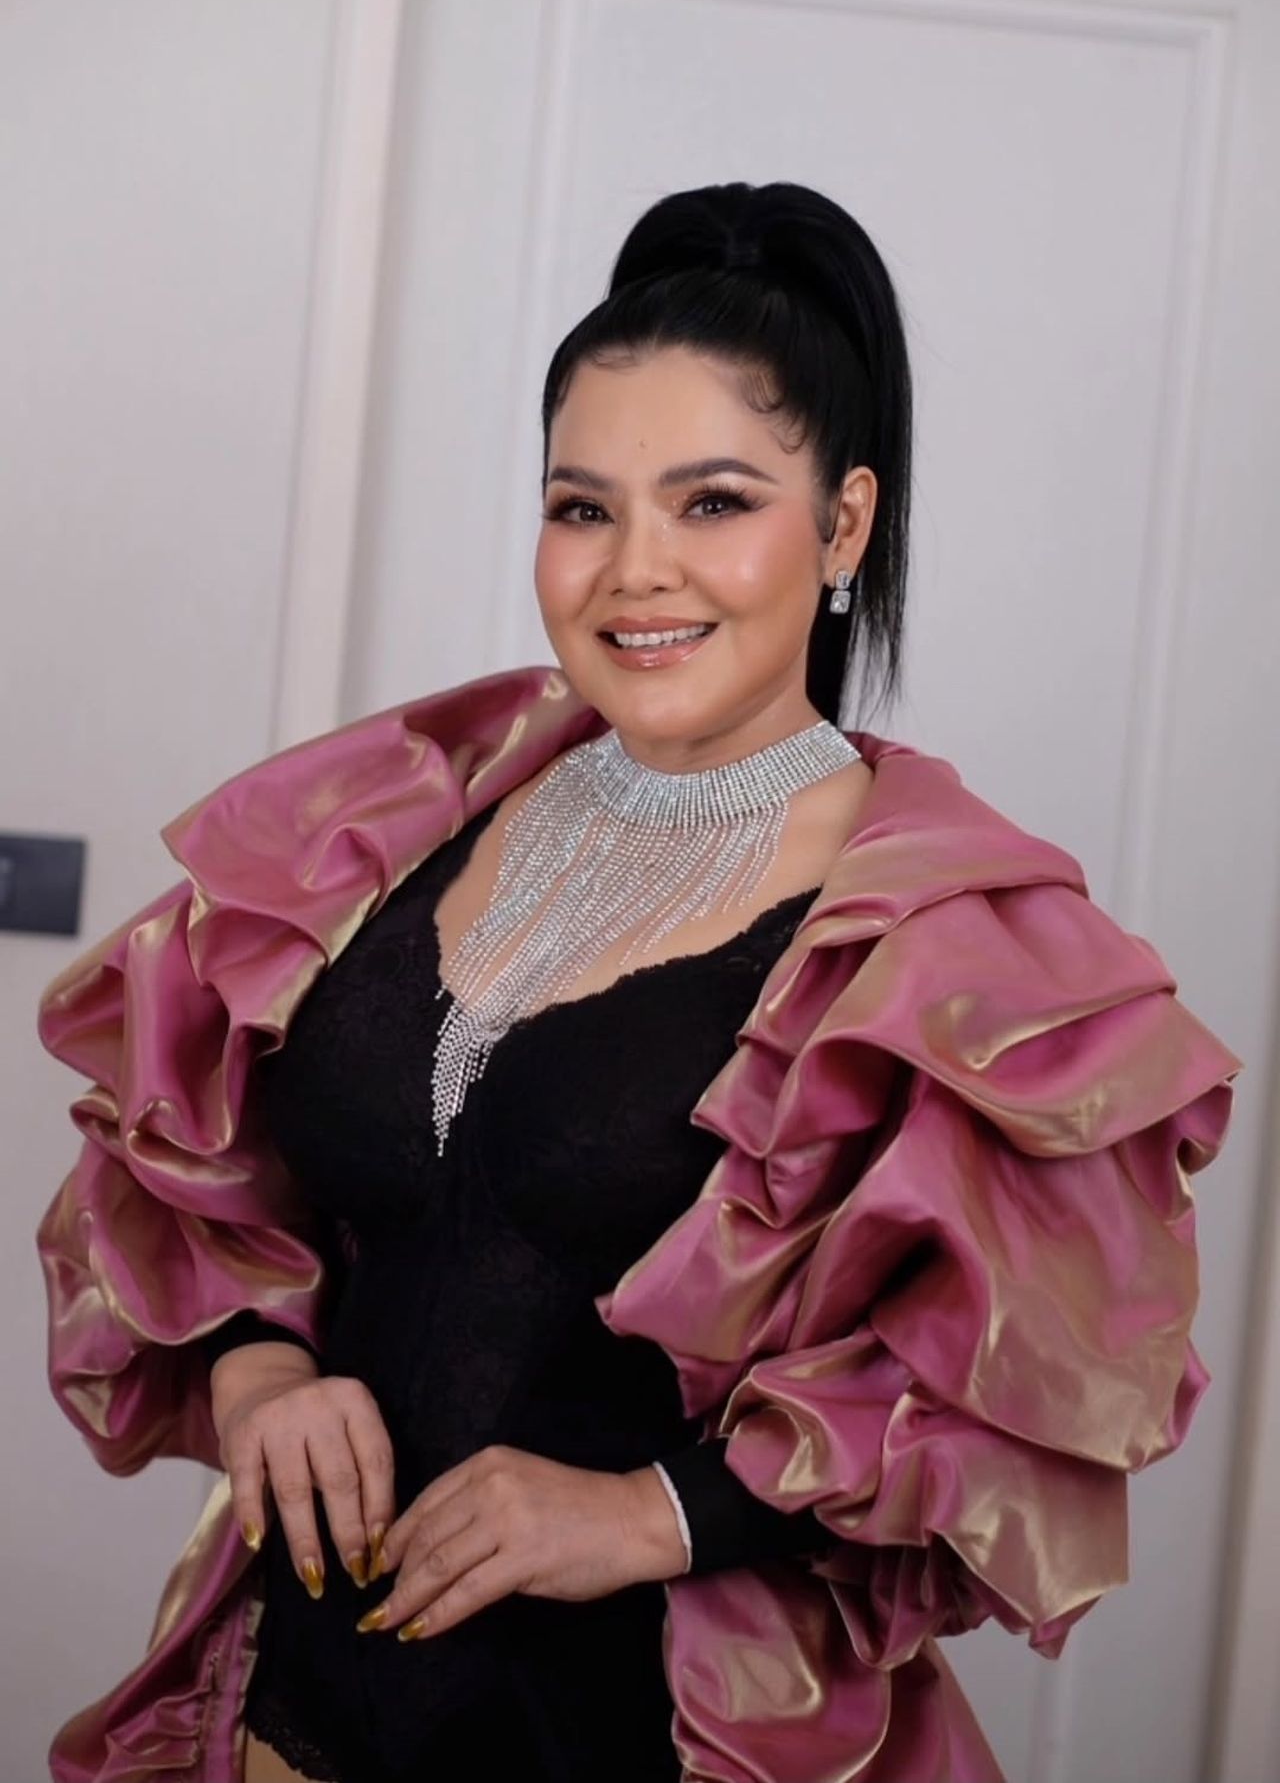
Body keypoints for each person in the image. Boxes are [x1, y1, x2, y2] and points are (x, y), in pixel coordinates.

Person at [35, 181, 1242, 1783]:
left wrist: (649, 1508)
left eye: (714, 502)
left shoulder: (958, 950)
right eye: (583, 507)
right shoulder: (401, 808)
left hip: (653, 1737)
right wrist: (260, 1366)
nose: (637, 572)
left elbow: (1019, 1396)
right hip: (290, 1713)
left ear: (845, 526)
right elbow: (191, 1150)